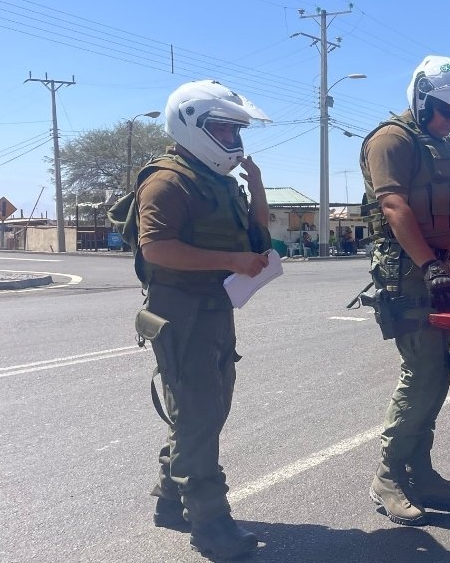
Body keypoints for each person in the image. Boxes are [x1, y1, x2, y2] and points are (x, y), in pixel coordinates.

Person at [359, 55, 450, 526]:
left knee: (436, 374)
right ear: (423, 101)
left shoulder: (439, 143)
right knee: (420, 373)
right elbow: (395, 206)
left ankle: (419, 471)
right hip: (408, 271)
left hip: (438, 268)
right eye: (448, 111)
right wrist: (428, 265)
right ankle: (388, 476)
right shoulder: (392, 140)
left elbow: (442, 199)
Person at [131, 79, 272, 560]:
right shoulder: (169, 180)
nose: (234, 142)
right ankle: (210, 523)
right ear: (192, 126)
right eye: (225, 131)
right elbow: (157, 248)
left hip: (213, 309)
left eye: (236, 133)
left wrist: (255, 189)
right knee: (199, 415)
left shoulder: (218, 180)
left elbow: (257, 235)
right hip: (180, 312)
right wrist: (231, 262)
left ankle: (171, 501)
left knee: (204, 409)